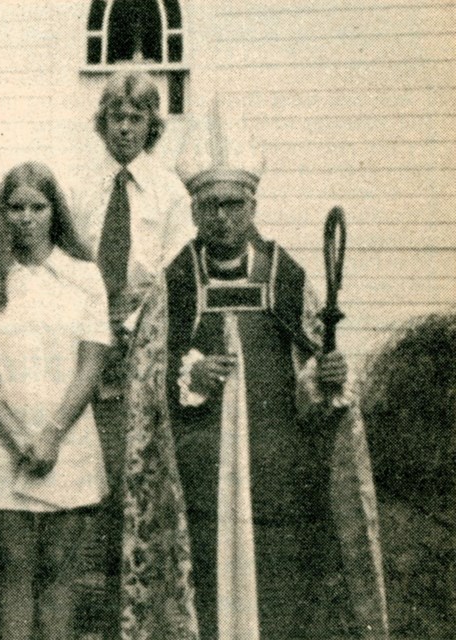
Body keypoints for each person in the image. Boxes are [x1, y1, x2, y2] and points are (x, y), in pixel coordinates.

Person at [120, 97, 389, 639]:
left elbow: (313, 375)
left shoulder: (285, 277)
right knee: (205, 571)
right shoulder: (174, 284)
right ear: (194, 210)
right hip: (197, 466)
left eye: (233, 205)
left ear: (252, 206)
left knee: (277, 574)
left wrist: (326, 381)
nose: (222, 218)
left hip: (275, 464)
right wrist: (188, 378)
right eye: (211, 206)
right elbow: (144, 378)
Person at [0, 162, 110, 640]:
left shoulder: (84, 276)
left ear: (54, 212)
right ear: (1, 214)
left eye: (36, 207)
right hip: (5, 446)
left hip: (69, 443)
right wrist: (19, 435)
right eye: (15, 207)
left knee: (60, 576)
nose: (25, 218)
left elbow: (91, 365)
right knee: (15, 574)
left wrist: (51, 434)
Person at [67, 69, 193, 638]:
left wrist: (136, 322)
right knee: (86, 472)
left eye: (135, 119)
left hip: (145, 343)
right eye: (115, 118)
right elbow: (70, 265)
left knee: (130, 472)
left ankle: (134, 606)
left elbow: (176, 273)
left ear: (150, 126)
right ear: (102, 124)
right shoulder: (82, 187)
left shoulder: (169, 191)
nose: (124, 128)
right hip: (87, 342)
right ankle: (87, 601)